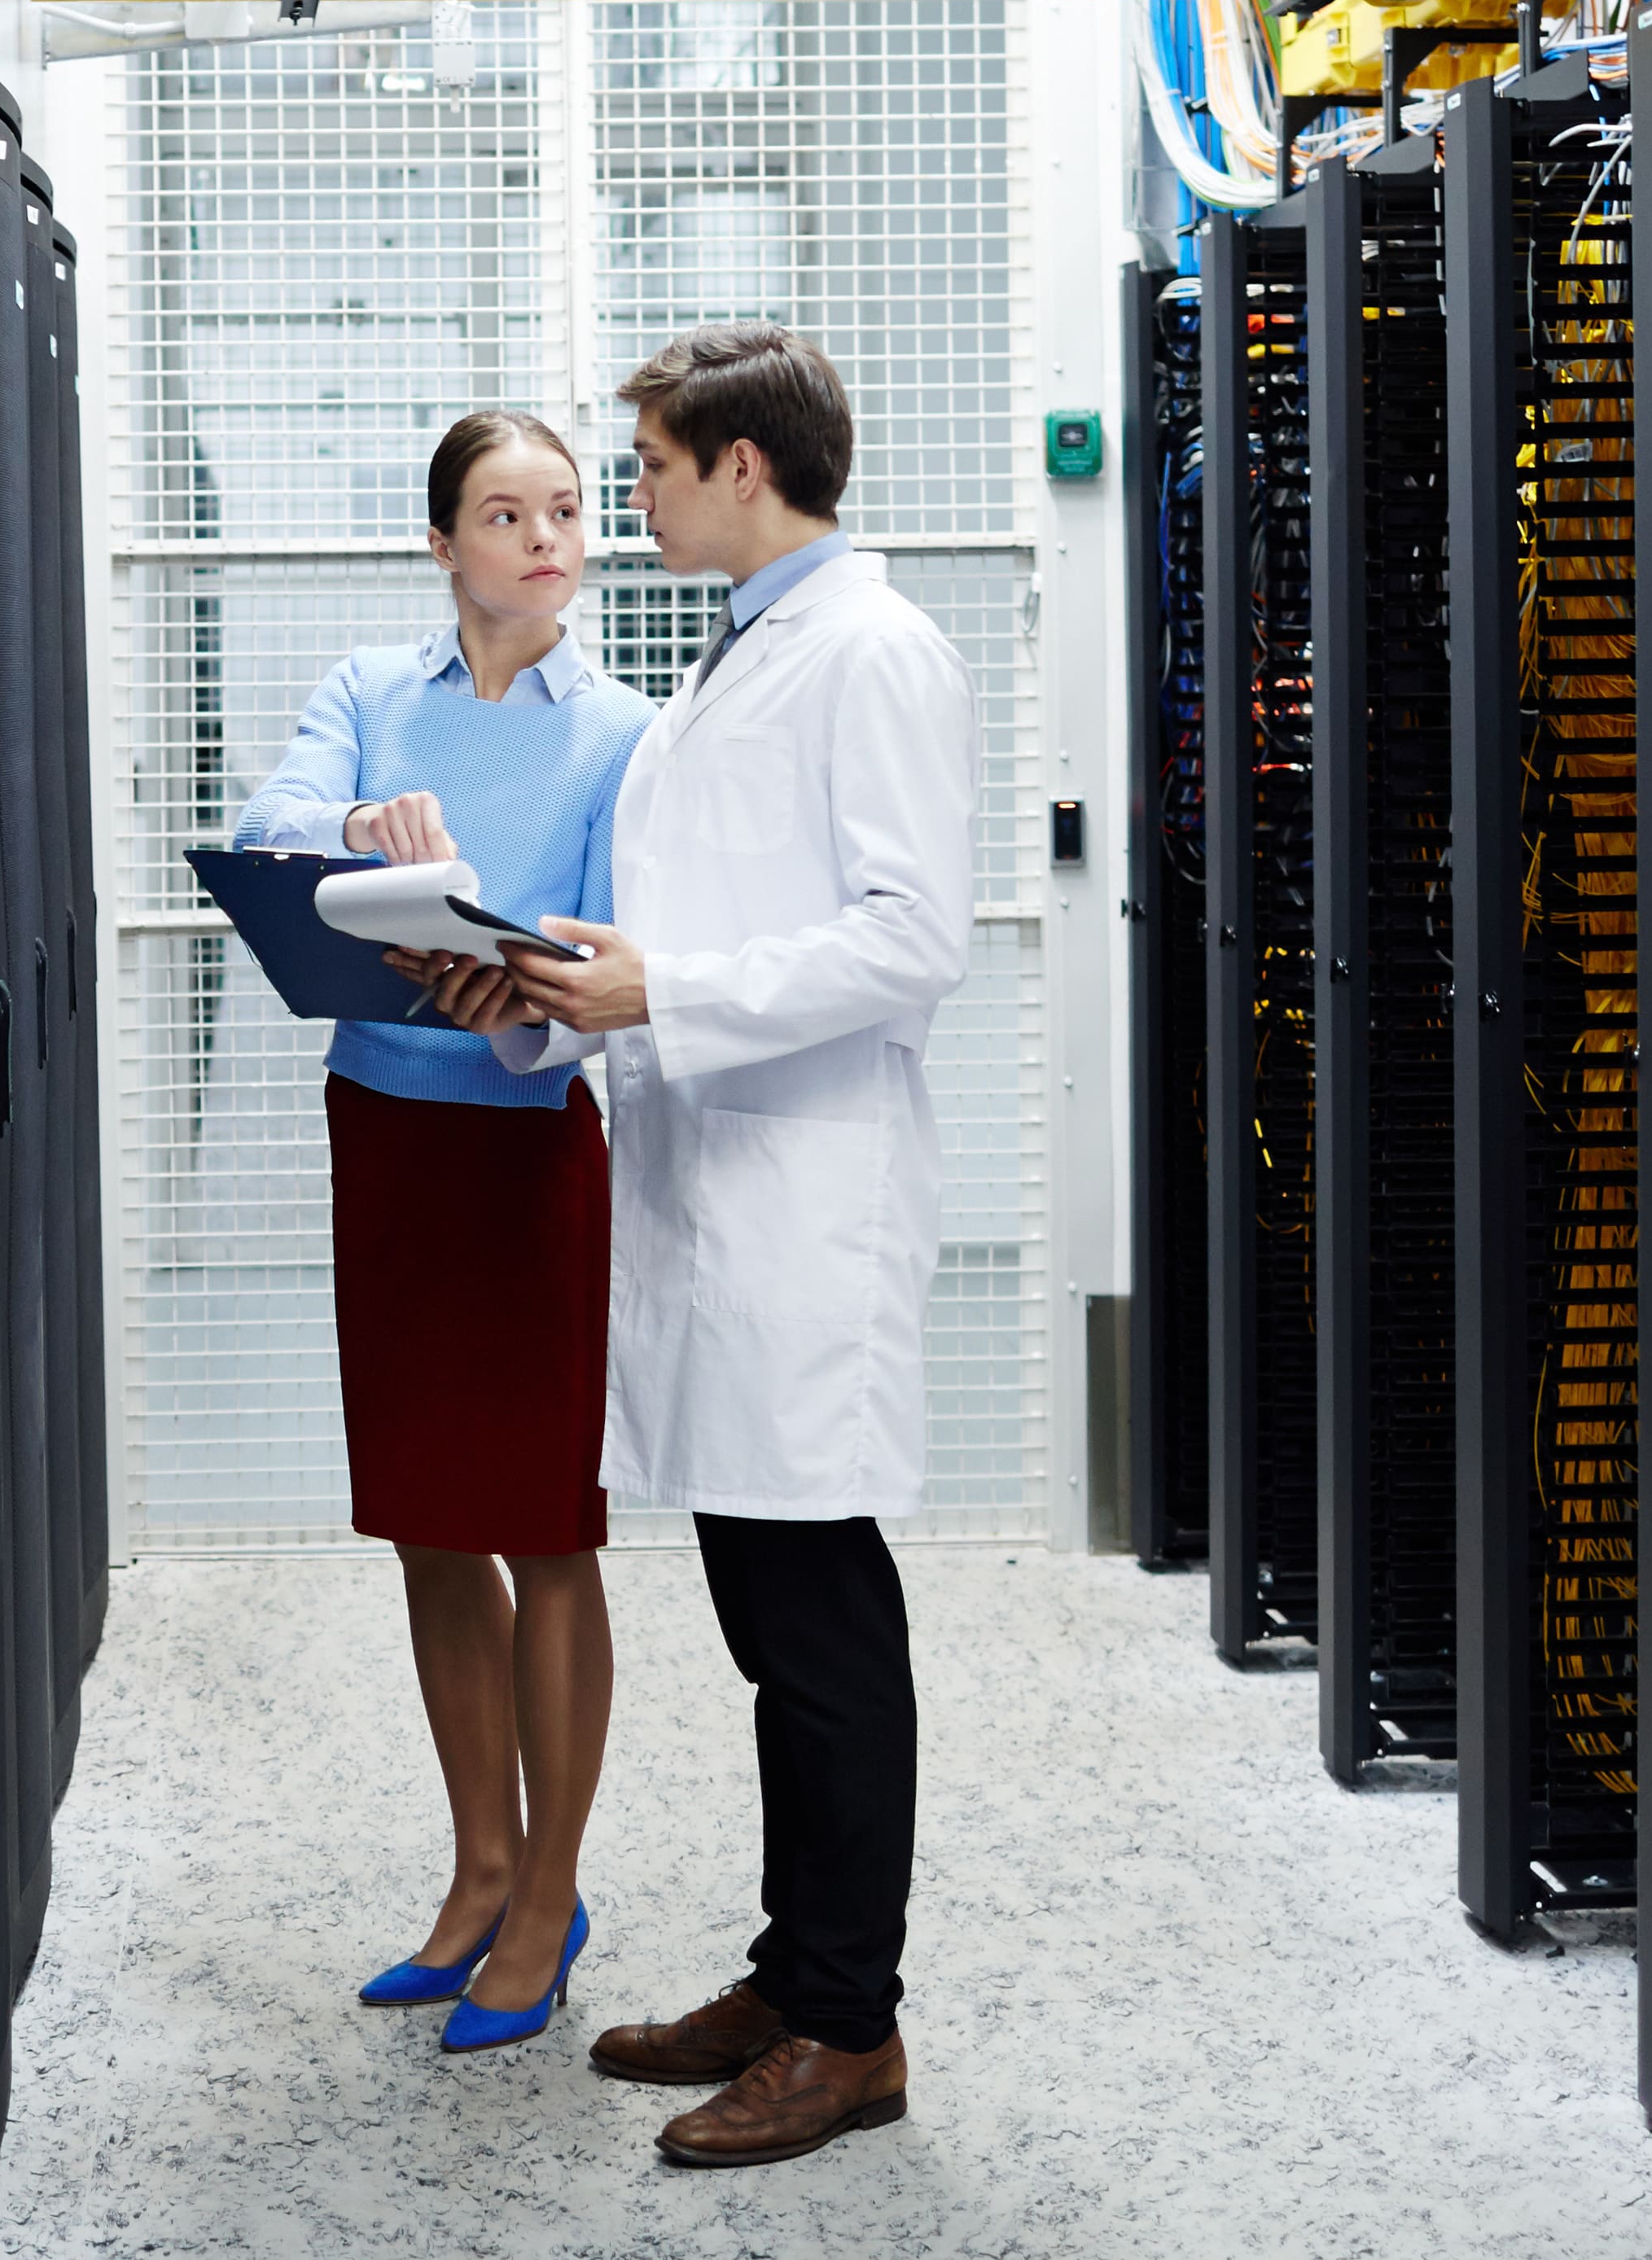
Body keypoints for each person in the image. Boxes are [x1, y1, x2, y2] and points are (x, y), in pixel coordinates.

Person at [410, 323, 973, 2171]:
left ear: (745, 466)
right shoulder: (742, 654)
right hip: (714, 1196)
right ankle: (795, 1970)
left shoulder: (872, 651)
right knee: (767, 1623)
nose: (619, 495)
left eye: (644, 465)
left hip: (800, 1214)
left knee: (818, 1634)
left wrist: (669, 987)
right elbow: (693, 931)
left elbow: (910, 939)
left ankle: (849, 2028)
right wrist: (541, 988)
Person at [227, 410, 657, 2052]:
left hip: (524, 1138)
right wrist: (358, 833)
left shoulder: (625, 730)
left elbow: (610, 966)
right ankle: (477, 1867)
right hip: (385, 1138)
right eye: (504, 511)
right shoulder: (367, 693)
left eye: (563, 509)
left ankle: (549, 1893)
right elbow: (271, 828)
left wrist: (515, 1010)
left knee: (544, 1528)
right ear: (441, 543)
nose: (545, 537)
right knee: (427, 1520)